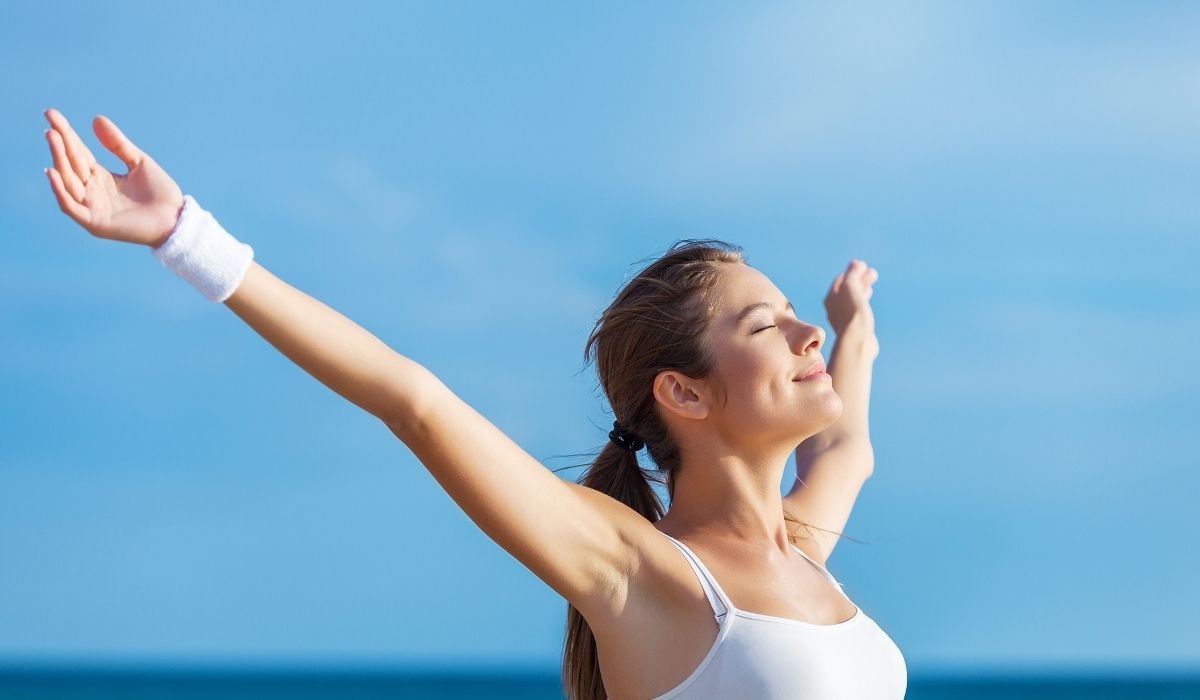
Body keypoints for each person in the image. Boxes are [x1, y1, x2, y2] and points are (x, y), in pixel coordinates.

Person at [41, 108, 906, 700]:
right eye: (768, 325)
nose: (805, 336)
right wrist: (186, 238)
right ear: (682, 391)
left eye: (801, 319)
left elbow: (848, 450)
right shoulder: (644, 572)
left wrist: (853, 329)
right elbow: (413, 400)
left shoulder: (802, 549)